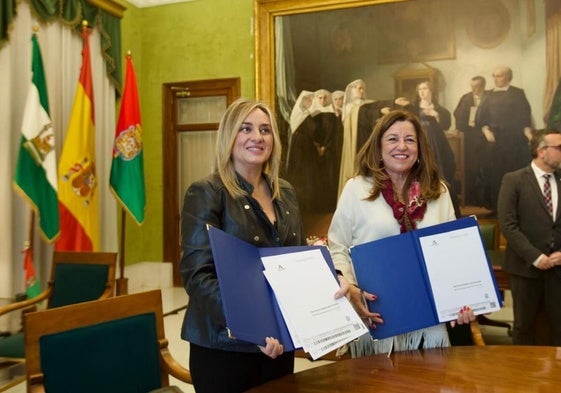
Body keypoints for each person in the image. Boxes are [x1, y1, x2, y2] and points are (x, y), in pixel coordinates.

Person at [180, 98, 347, 392]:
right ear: (229, 137)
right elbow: (198, 277)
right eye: (246, 129)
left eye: (265, 130)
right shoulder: (206, 193)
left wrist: (333, 286)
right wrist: (254, 326)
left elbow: (297, 260)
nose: (257, 137)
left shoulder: (286, 192)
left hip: (278, 344)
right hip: (224, 348)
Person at [328, 110, 474, 356]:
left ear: (420, 148)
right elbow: (338, 247)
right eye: (393, 139)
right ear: (379, 146)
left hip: (429, 324)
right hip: (375, 317)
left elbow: (453, 254)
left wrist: (462, 299)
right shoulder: (356, 189)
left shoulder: (439, 192)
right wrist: (350, 286)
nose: (402, 146)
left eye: (410, 139)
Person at [497, 128, 561, 346]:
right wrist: (536, 257)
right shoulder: (514, 180)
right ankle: (523, 378)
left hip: (558, 269)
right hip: (525, 269)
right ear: (541, 151)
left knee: (557, 329)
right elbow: (508, 224)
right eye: (559, 147)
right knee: (524, 329)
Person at [476, 65, 533, 214]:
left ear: (508, 77)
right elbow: (480, 118)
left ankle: (517, 208)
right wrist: (485, 130)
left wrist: (528, 133)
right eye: (494, 75)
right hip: (494, 142)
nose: (496, 79)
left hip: (514, 141)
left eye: (499, 76)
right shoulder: (488, 95)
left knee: (515, 175)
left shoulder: (518, 93)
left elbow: (525, 116)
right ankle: (497, 207)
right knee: (495, 175)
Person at [406, 80, 460, 218]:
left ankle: (444, 210)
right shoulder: (411, 108)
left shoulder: (441, 110)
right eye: (420, 89)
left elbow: (446, 125)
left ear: (431, 91)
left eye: (425, 88)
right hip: (418, 142)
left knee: (442, 173)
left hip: (437, 144)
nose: (422, 92)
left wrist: (436, 115)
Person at [453, 75, 488, 206]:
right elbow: (457, 113)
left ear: (483, 86)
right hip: (469, 138)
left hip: (485, 137)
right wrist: (459, 128)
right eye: (472, 86)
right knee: (470, 169)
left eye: (477, 86)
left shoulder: (489, 97)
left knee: (484, 169)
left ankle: (484, 200)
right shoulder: (466, 98)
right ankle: (471, 199)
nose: (474, 89)